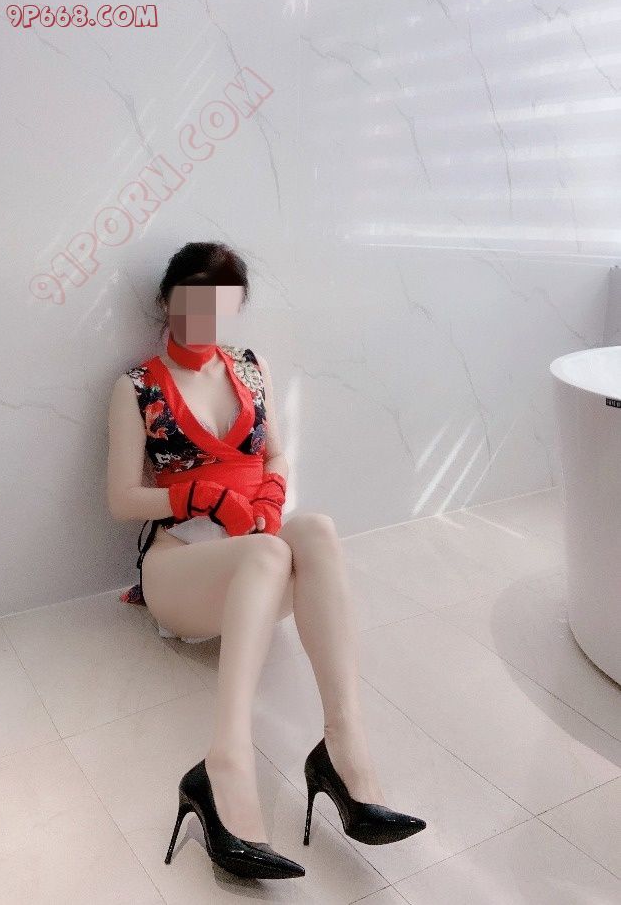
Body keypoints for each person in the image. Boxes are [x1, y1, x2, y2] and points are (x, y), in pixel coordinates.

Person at [107, 242, 426, 879]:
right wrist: (199, 495)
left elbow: (275, 451)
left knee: (317, 531)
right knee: (264, 554)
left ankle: (343, 746)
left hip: (254, 563)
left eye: (218, 305)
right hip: (180, 573)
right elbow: (121, 500)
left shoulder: (251, 369)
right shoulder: (137, 386)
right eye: (190, 302)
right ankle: (225, 761)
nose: (202, 317)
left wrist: (272, 493)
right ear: (166, 301)